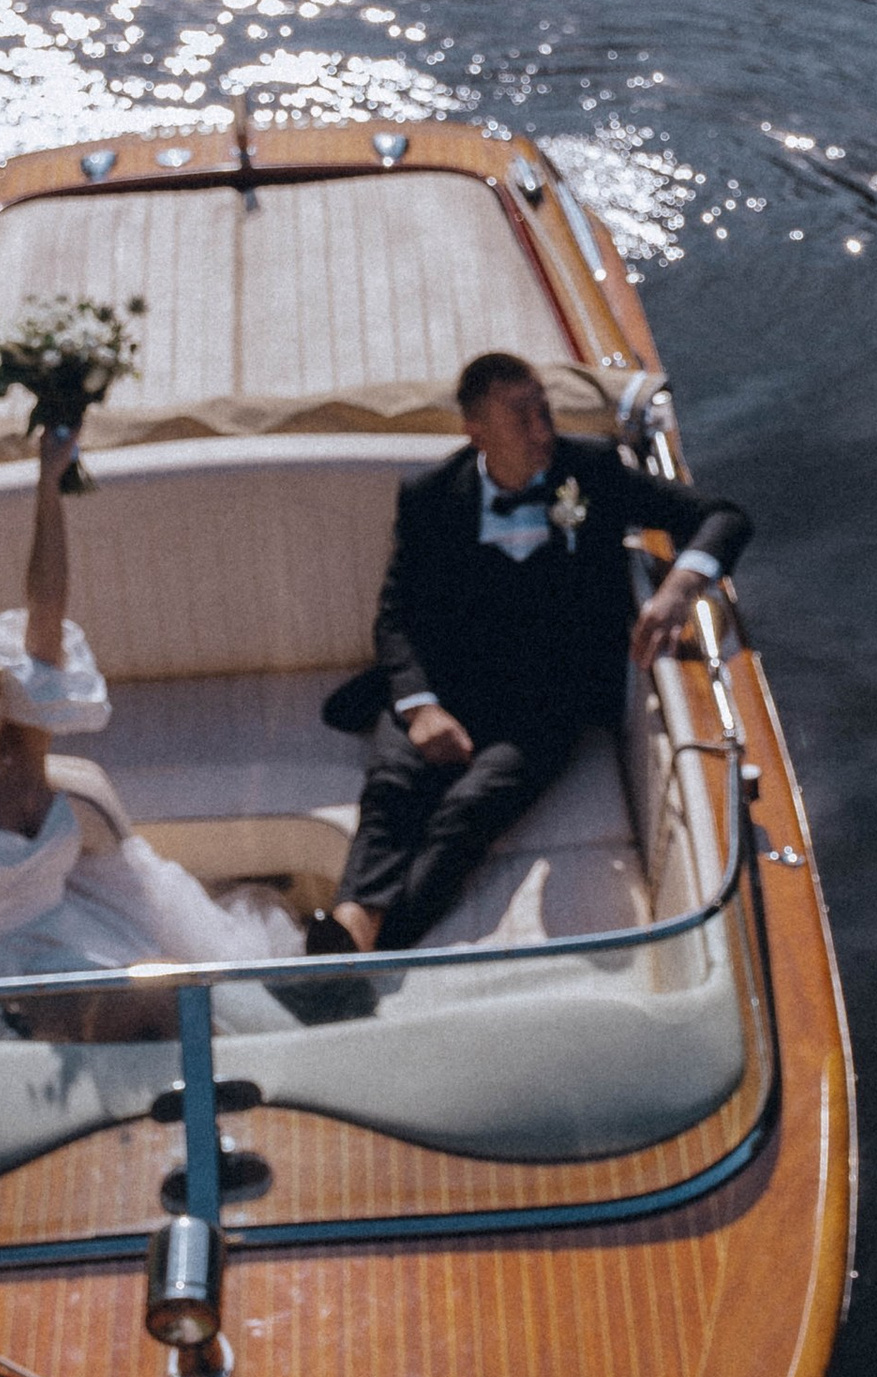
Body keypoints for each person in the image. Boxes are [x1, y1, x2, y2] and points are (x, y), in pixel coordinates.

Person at [0, 424, 302, 1019]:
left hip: (75, 931)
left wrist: (48, 486)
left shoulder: (25, 742)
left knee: (184, 996)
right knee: (147, 1013)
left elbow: (48, 603)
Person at [311, 350, 751, 964]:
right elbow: (398, 615)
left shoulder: (590, 471)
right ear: (477, 432)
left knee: (468, 812)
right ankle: (351, 935)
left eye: (544, 409)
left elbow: (724, 516)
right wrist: (421, 708)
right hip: (446, 684)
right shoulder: (430, 495)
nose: (542, 430)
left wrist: (679, 588)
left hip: (547, 701)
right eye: (521, 417)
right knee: (392, 791)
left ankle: (355, 950)